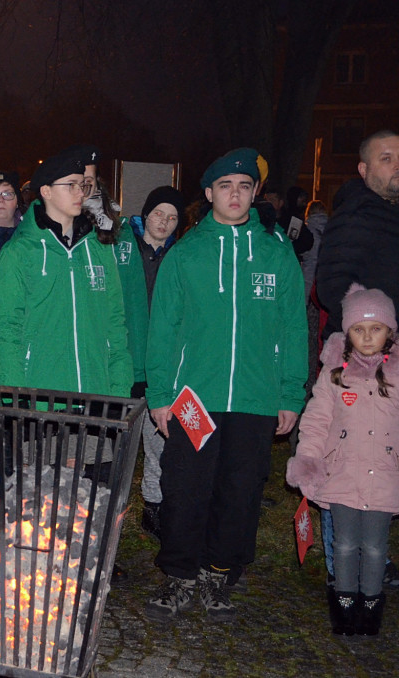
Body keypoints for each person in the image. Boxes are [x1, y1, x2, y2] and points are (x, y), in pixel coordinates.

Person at [144, 149, 306, 622]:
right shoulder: (187, 253)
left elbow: (295, 328)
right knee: (186, 489)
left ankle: (218, 575)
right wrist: (160, 396)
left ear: (254, 194)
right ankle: (180, 577)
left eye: (244, 186)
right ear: (210, 193)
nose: (235, 195)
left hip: (256, 399)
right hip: (195, 400)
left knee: (240, 491)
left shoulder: (277, 255)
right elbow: (164, 328)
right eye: (225, 187)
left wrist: (291, 393)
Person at [286, 284, 398, 636]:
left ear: (389, 332)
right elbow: (317, 422)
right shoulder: (335, 375)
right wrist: (308, 460)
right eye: (358, 330)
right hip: (342, 474)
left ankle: (370, 606)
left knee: (377, 546)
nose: (367, 337)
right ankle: (344, 605)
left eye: (376, 329)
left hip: (384, 476)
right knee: (346, 543)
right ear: (347, 333)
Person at [0, 148, 131, 398]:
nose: (80, 192)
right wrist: (16, 395)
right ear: (46, 191)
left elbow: (115, 323)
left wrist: (120, 388)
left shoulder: (98, 249)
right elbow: (6, 328)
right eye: (71, 185)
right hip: (43, 400)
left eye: (83, 185)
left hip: (96, 396)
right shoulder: (19, 252)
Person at [117, 186, 186, 539]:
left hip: (162, 366)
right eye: (159, 213)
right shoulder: (119, 245)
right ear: (145, 214)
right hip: (124, 363)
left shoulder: (179, 255)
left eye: (172, 217)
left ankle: (154, 506)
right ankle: (112, 507)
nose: (164, 222)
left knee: (161, 441)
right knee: (119, 444)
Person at [317, 130, 399, 339]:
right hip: (365, 354)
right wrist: (373, 330)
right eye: (386, 159)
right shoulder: (354, 216)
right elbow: (332, 288)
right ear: (364, 170)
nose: (397, 166)